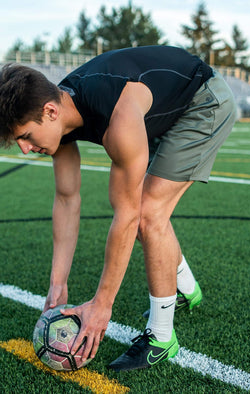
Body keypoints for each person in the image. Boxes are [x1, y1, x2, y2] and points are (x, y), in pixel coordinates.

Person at [0, 45, 237, 372]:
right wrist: (58, 285)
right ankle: (186, 289)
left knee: (147, 213)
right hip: (160, 112)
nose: (26, 149)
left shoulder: (118, 118)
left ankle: (161, 338)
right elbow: (67, 200)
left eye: (25, 136)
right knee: (145, 213)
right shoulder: (62, 114)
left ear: (51, 111)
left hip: (202, 101)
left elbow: (127, 217)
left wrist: (102, 306)